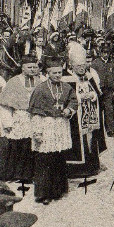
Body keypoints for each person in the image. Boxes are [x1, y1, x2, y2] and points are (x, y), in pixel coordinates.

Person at [28, 57, 77, 204]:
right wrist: (37, 132)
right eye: (54, 72)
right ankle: (43, 194)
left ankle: (58, 190)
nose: (57, 75)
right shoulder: (41, 89)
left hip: (61, 125)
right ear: (48, 73)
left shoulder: (66, 87)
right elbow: (35, 112)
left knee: (58, 158)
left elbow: (74, 101)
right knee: (44, 159)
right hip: (46, 124)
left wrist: (69, 110)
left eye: (59, 72)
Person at [63, 44, 107, 179]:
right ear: (72, 65)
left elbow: (98, 94)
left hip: (90, 116)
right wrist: (81, 98)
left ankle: (92, 165)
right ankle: (76, 169)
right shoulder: (66, 78)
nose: (82, 68)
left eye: (83, 65)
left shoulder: (89, 75)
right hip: (75, 118)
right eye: (79, 66)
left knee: (90, 139)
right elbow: (65, 98)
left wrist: (93, 96)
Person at [0, 55, 40, 182]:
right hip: (19, 118)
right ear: (23, 68)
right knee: (17, 146)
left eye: (34, 67)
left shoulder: (40, 81)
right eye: (29, 67)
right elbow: (5, 105)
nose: (32, 70)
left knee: (32, 146)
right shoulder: (13, 82)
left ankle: (29, 175)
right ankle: (15, 175)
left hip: (34, 118)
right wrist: (7, 122)